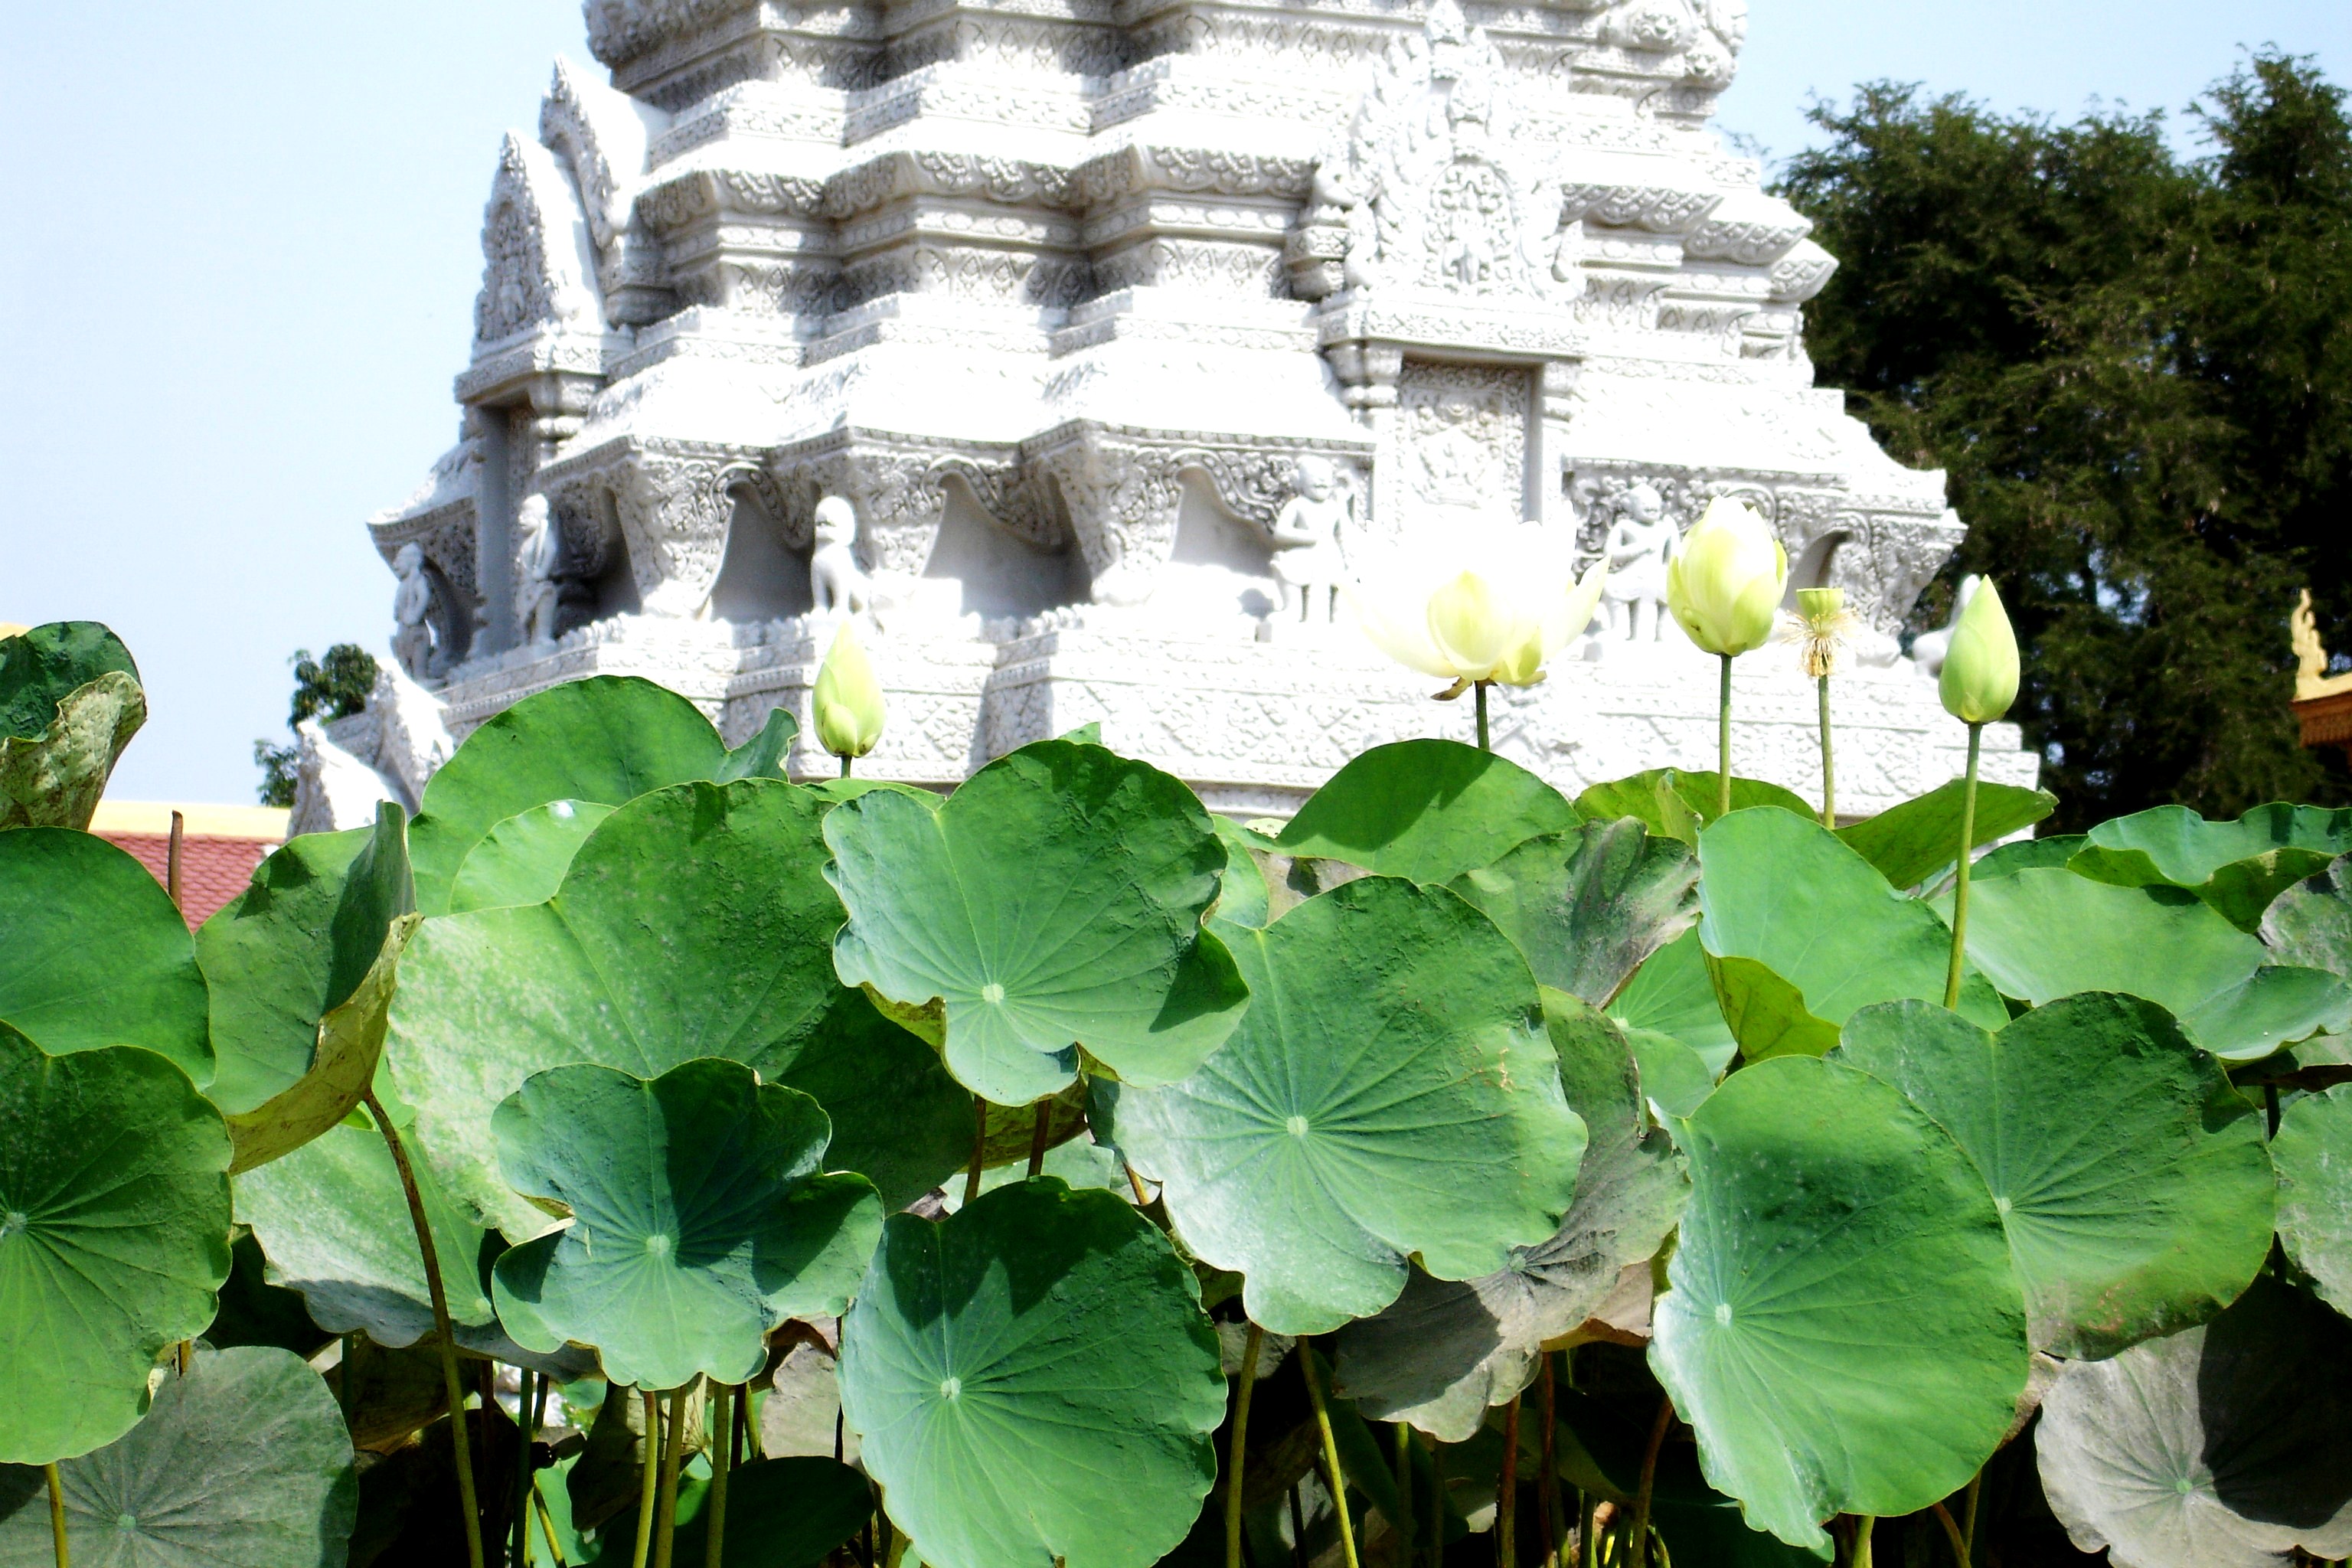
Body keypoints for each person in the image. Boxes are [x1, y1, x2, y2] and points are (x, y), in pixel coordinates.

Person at [1270, 457, 1351, 624]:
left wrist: (1349, 557)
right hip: (1303, 555)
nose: (1321, 480)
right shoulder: (1298, 505)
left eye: (1326, 477)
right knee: (1286, 568)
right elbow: (1280, 532)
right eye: (1314, 476)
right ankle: (1292, 609)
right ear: (1300, 481)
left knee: (1341, 582)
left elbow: (1344, 534)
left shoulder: (1334, 507)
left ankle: (1337, 616)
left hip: (1330, 555)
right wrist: (1307, 536)